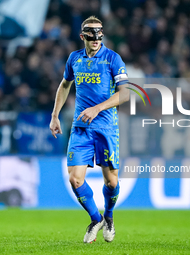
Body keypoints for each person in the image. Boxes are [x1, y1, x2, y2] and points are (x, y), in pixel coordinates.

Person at [49, 16, 129, 243]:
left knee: (111, 182)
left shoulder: (113, 59)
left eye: (99, 34)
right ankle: (96, 219)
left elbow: (125, 93)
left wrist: (97, 108)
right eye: (91, 35)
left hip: (106, 128)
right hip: (81, 128)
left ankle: (109, 216)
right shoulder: (74, 58)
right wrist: (55, 115)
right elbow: (65, 85)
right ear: (82, 36)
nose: (96, 39)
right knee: (75, 179)